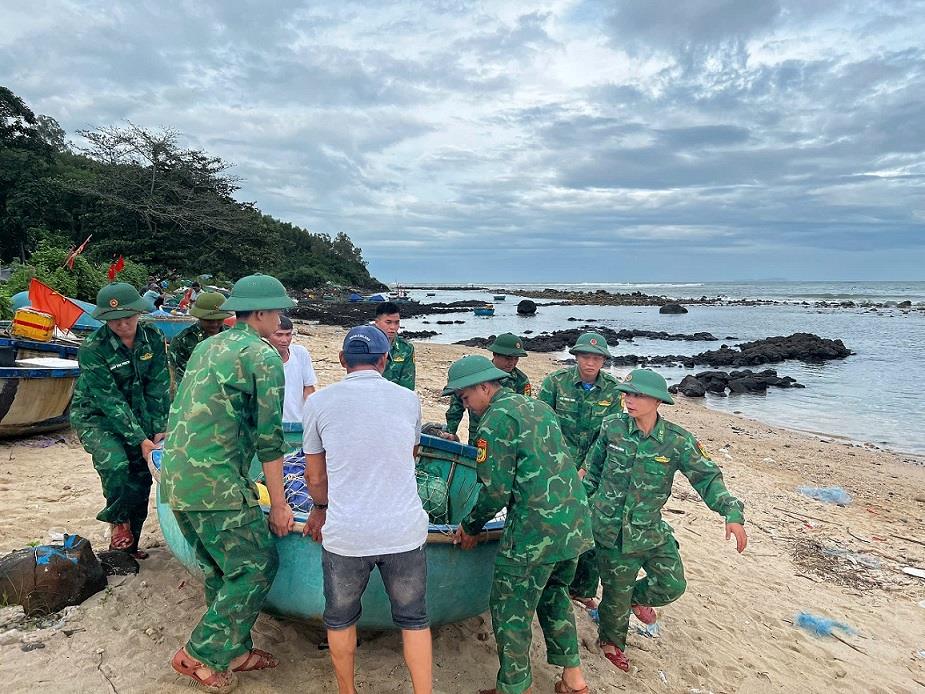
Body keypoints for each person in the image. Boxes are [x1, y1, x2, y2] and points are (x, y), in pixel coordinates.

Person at [161, 273, 296, 692]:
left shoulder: (207, 345)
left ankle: (233, 651)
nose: (281, 317)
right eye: (277, 310)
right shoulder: (264, 356)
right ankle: (200, 654)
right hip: (214, 482)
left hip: (176, 479)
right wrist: (279, 503)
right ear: (260, 313)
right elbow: (270, 440)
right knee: (257, 566)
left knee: (224, 568)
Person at [582, 369, 747, 672]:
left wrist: (731, 513)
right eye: (627, 393)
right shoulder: (612, 428)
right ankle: (610, 642)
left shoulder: (677, 441)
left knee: (672, 584)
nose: (629, 400)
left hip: (650, 530)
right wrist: (574, 507)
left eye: (637, 395)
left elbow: (707, 478)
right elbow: (591, 474)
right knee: (615, 596)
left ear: (657, 401)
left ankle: (628, 599)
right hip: (610, 530)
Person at [449, 355, 593, 694]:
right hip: (573, 523)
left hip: (535, 533)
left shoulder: (495, 421)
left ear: (484, 386)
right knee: (554, 596)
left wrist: (470, 526)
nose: (464, 404)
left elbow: (496, 491)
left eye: (465, 397)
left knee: (510, 608)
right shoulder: (537, 407)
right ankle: (574, 681)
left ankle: (516, 688)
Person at [302, 325, 431, 694]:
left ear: (343, 361)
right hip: (403, 530)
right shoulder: (410, 399)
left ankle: (347, 691)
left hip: (347, 535)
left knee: (340, 619)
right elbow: (411, 455)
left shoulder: (318, 403)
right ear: (384, 360)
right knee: (414, 620)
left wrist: (320, 509)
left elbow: (314, 476)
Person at [70, 283, 170, 559]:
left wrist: (159, 429)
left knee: (141, 477)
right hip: (97, 417)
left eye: (128, 317)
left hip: (141, 413)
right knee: (116, 464)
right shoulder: (93, 348)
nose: (123, 324)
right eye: (114, 320)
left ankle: (127, 548)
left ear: (139, 313)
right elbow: (109, 399)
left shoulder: (153, 338)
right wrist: (140, 439)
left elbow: (158, 385)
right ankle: (117, 519)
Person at [537, 331, 623, 607]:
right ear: (576, 357)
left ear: (603, 361)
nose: (590, 362)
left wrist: (588, 469)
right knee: (554, 523)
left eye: (597, 357)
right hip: (557, 465)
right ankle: (550, 583)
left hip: (596, 470)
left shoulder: (613, 390)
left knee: (591, 527)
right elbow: (542, 425)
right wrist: (554, 464)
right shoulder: (556, 382)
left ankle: (583, 590)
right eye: (586, 356)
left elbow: (613, 434)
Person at [444, 333, 531, 444]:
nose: (512, 363)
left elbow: (523, 412)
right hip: (478, 433)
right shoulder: (477, 375)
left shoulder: (521, 380)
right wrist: (451, 430)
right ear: (495, 355)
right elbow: (457, 405)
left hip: (505, 437)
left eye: (516, 359)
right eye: (508, 358)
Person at [168, 291, 232, 385]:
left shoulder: (233, 336)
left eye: (219, 319)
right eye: (208, 320)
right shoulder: (182, 341)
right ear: (199, 317)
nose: (214, 324)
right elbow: (178, 378)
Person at [267, 315, 318, 424]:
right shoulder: (260, 358)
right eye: (279, 335)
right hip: (271, 424)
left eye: (288, 334)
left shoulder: (300, 353)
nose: (284, 340)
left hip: (297, 422)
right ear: (268, 336)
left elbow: (309, 389)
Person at [374, 301, 415, 390]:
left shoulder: (405, 349)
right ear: (376, 322)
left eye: (396, 323)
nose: (393, 327)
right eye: (388, 322)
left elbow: (407, 383)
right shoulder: (366, 345)